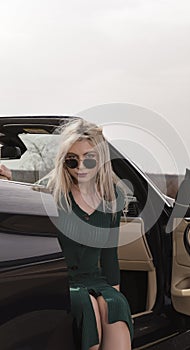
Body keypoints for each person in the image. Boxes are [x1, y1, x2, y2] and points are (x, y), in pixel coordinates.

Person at [0, 118, 133, 350]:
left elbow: (110, 257)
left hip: (96, 280)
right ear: (64, 162)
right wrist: (7, 181)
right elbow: (23, 198)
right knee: (88, 304)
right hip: (63, 281)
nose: (80, 167)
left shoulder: (112, 199)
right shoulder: (52, 192)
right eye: (72, 160)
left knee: (113, 305)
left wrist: (115, 294)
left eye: (89, 159)